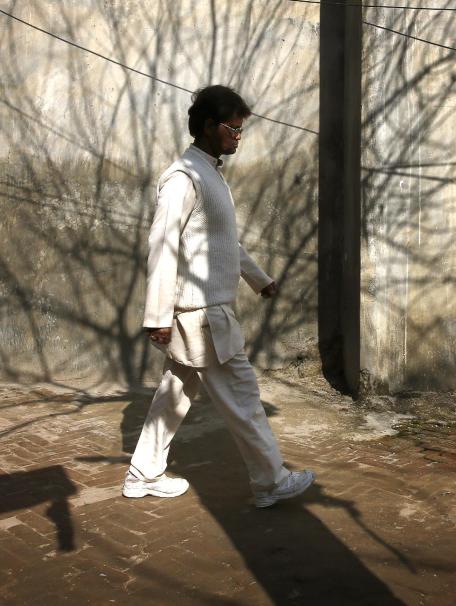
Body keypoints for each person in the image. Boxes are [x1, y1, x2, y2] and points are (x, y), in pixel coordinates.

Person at [122, 85, 314, 508]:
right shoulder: (184, 178)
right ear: (208, 126)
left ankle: (143, 473)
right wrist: (157, 314)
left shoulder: (210, 175)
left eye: (241, 129)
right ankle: (271, 481)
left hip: (204, 312)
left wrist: (259, 279)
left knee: (175, 393)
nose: (238, 136)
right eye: (232, 128)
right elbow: (163, 243)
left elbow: (223, 242)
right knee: (244, 396)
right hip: (202, 315)